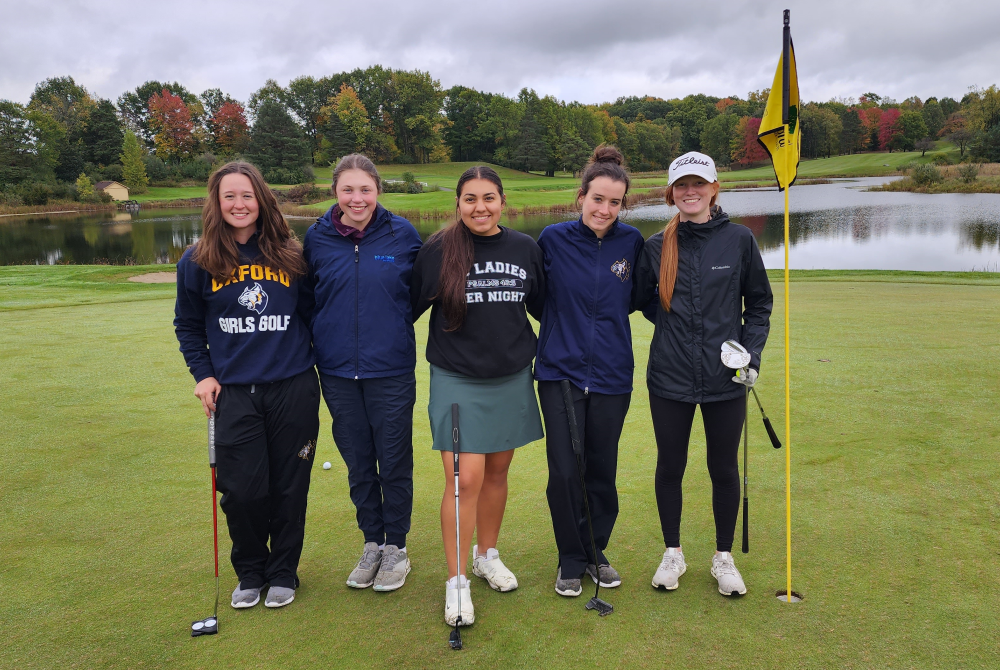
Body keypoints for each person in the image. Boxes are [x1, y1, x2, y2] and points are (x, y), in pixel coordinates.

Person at [174, 161, 319, 610]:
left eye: (247, 195)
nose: (239, 204)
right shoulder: (197, 261)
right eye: (229, 196)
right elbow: (188, 326)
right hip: (234, 392)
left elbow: (314, 315)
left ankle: (283, 572)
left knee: (289, 487)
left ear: (262, 200)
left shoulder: (291, 254)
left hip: (291, 386)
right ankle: (251, 571)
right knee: (242, 490)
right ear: (216, 203)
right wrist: (203, 375)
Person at [632, 151, 772, 597]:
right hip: (669, 377)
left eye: (698, 183)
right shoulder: (656, 246)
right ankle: (673, 552)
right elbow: (644, 300)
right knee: (670, 465)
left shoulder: (739, 240)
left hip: (724, 379)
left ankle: (723, 557)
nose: (690, 192)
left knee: (722, 467)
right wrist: (678, 328)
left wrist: (749, 356)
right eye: (681, 185)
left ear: (714, 188)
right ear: (671, 192)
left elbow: (759, 305)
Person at [411, 166, 545, 627]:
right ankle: (456, 582)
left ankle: (486, 554)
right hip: (456, 378)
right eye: (470, 199)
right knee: (463, 479)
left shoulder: (525, 248)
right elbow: (407, 306)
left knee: (496, 472)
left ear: (502, 201)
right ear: (458, 204)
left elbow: (543, 307)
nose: (480, 207)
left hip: (510, 377)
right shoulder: (438, 250)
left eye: (489, 198)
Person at [302, 154, 422, 592]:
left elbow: (419, 295)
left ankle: (397, 548)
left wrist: (389, 329)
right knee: (358, 463)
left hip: (390, 371)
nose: (357, 198)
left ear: (378, 190)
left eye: (365, 189)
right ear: (335, 191)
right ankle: (372, 542)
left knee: (393, 461)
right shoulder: (315, 238)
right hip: (335, 372)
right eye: (348, 189)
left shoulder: (402, 233)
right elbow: (306, 299)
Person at [534, 146, 644, 597]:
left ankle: (596, 551)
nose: (604, 209)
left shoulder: (632, 242)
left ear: (623, 205)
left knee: (601, 467)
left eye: (614, 202)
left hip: (613, 374)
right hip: (559, 371)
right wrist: (564, 331)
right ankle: (570, 557)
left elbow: (635, 299)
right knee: (564, 470)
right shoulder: (552, 239)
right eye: (597, 199)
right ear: (581, 196)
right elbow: (537, 299)